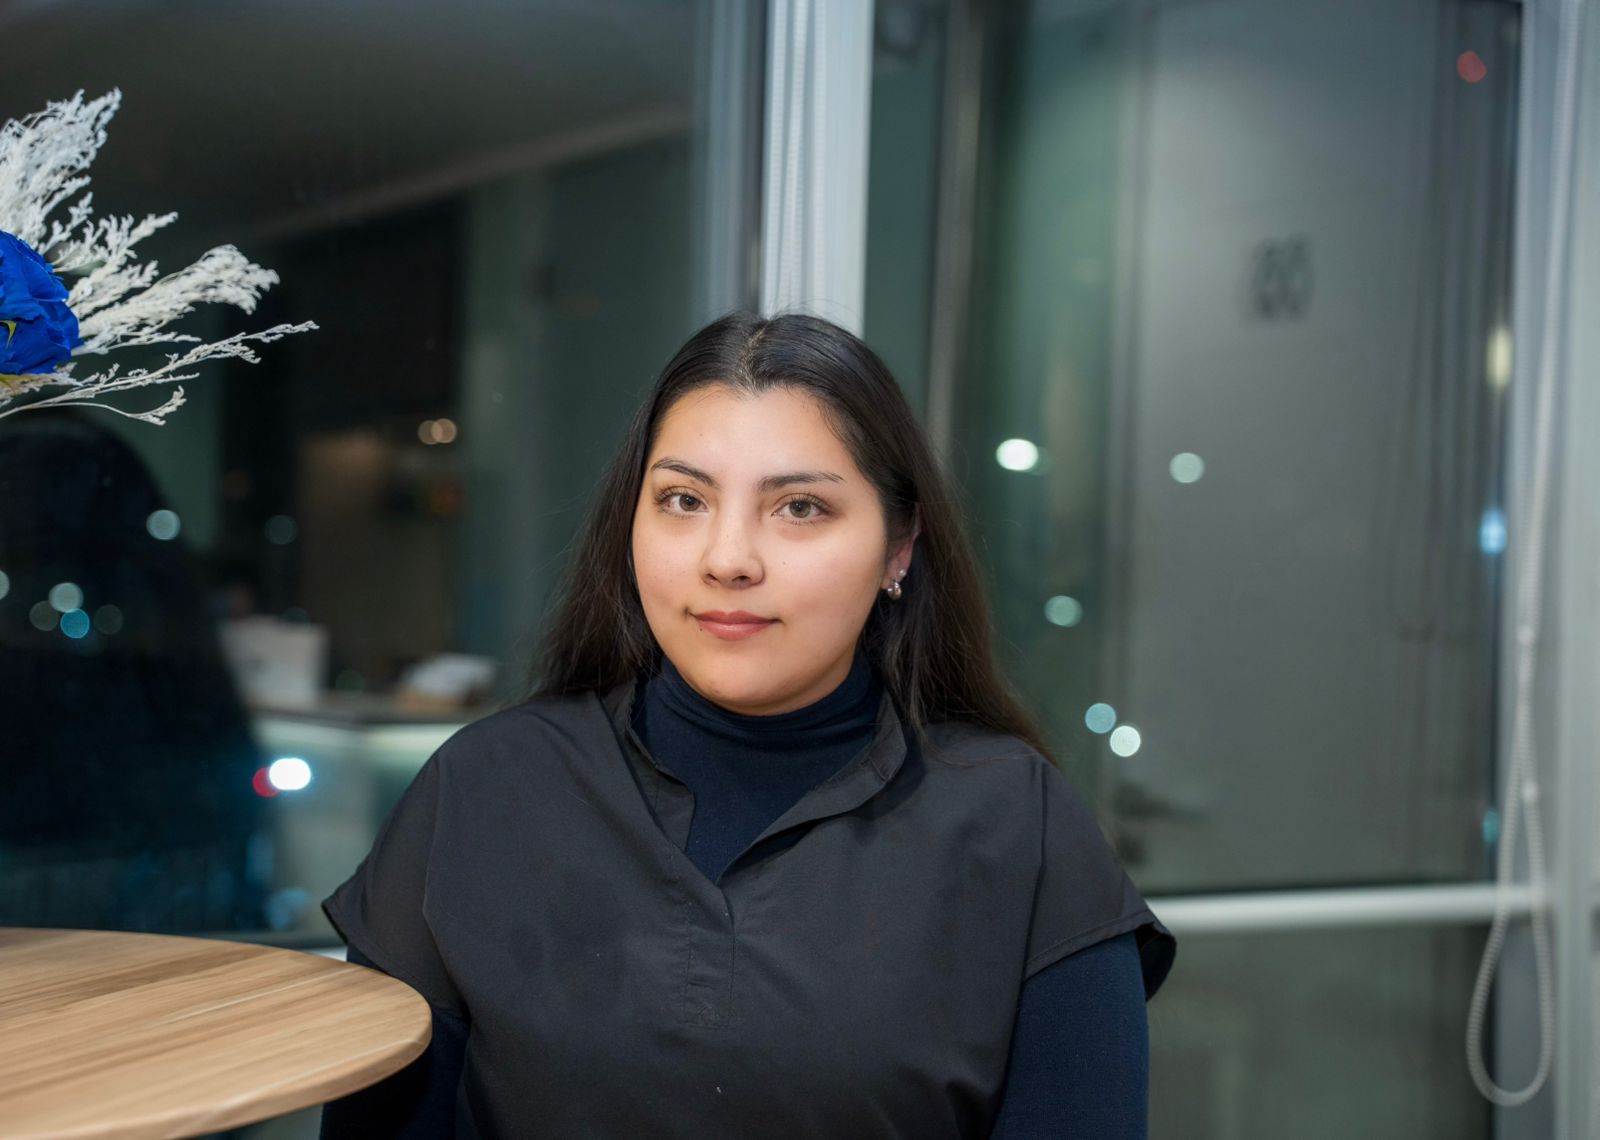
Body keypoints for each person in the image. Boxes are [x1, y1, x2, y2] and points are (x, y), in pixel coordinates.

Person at [319, 311, 1177, 1138]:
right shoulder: (480, 790)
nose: (727, 559)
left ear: (899, 547)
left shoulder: (1019, 825)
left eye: (800, 507)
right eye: (683, 499)